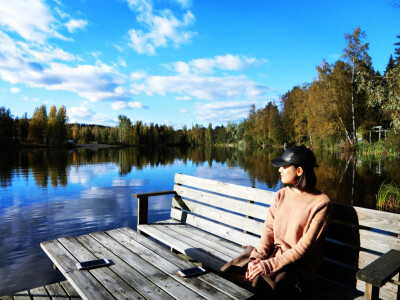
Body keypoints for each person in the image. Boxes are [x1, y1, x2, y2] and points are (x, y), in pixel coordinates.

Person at [221, 145, 332, 299]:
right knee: (234, 268)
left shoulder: (321, 203)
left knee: (258, 282)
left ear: (299, 171)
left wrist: (266, 266)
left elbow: (302, 249)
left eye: (284, 166)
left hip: (296, 268)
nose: (279, 170)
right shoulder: (281, 195)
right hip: (273, 257)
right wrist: (257, 259)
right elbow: (268, 230)